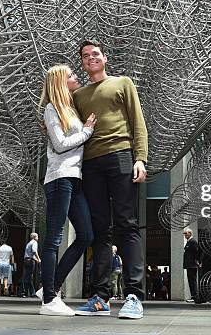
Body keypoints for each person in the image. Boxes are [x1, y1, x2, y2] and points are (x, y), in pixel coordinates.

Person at [73, 40, 148, 319]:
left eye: (95, 54)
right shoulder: (79, 95)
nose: (91, 58)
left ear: (105, 57)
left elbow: (138, 122)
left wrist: (140, 158)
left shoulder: (123, 83)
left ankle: (133, 297)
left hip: (121, 157)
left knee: (127, 225)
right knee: (100, 230)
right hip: (91, 164)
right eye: (85, 56)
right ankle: (100, 297)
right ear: (82, 62)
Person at [38, 64, 96, 316]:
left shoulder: (69, 108)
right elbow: (60, 145)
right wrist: (86, 131)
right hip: (60, 178)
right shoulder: (52, 108)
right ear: (61, 82)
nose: (76, 78)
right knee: (53, 240)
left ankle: (50, 287)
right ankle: (49, 300)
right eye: (71, 75)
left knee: (86, 235)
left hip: (74, 178)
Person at [183, 228, 201, 302]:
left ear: (190, 233)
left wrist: (197, 261)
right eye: (184, 234)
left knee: (193, 281)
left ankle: (195, 296)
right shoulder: (189, 242)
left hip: (192, 264)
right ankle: (193, 296)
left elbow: (197, 252)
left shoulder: (193, 242)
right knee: (190, 281)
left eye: (186, 233)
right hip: (189, 264)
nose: (185, 235)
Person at [20, 233, 41, 298]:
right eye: (37, 237)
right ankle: (22, 292)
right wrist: (39, 259)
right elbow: (34, 251)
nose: (38, 238)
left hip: (27, 260)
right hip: (30, 261)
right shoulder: (34, 242)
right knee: (28, 277)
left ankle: (32, 292)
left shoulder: (29, 243)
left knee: (28, 277)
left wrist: (36, 260)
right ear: (35, 237)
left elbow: (30, 254)